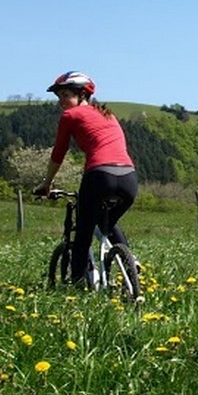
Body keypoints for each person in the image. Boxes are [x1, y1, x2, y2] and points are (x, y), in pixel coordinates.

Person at [34, 71, 138, 285]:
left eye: (65, 95)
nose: (61, 101)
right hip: (129, 178)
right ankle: (130, 262)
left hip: (99, 175)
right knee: (106, 222)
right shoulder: (109, 115)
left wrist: (46, 184)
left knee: (83, 231)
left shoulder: (70, 116)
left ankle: (78, 283)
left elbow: (58, 153)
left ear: (82, 95)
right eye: (59, 97)